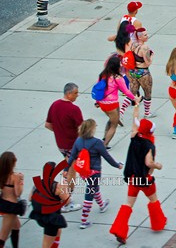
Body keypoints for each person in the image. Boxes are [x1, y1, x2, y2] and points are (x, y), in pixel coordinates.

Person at [110, 103, 167, 245]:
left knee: (128, 203)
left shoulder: (134, 137)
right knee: (153, 200)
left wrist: (136, 105)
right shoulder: (149, 145)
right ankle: (158, 223)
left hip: (132, 178)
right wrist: (157, 166)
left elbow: (135, 122)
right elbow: (148, 163)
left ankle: (119, 229)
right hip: (145, 179)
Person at [68, 120, 122, 229]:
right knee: (90, 193)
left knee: (93, 188)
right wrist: (117, 165)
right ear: (92, 129)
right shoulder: (97, 143)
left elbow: (72, 156)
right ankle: (84, 220)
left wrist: (65, 169)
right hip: (95, 172)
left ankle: (102, 206)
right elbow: (107, 157)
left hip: (84, 172)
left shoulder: (78, 141)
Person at [45, 82, 83, 213]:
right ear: (69, 93)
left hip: (61, 145)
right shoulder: (74, 109)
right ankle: (66, 200)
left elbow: (48, 124)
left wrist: (60, 132)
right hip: (73, 146)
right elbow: (81, 130)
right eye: (76, 93)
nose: (77, 95)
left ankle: (65, 198)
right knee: (70, 172)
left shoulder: (54, 105)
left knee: (69, 169)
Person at [98, 56, 141, 148]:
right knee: (114, 124)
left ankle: (104, 139)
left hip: (102, 103)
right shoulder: (117, 77)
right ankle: (104, 145)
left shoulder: (102, 75)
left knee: (111, 119)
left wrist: (97, 101)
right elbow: (126, 91)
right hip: (112, 104)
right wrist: (135, 98)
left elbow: (98, 88)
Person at [29, 161, 71, 248]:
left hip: (39, 215)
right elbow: (67, 201)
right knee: (46, 244)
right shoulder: (57, 186)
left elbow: (30, 198)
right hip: (51, 219)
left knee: (58, 231)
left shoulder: (38, 183)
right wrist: (65, 186)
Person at [128, 27, 155, 118]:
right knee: (147, 92)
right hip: (143, 72)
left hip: (132, 71)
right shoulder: (145, 47)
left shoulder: (132, 45)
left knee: (131, 92)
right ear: (140, 37)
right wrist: (152, 56)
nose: (147, 36)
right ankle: (147, 113)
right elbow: (148, 63)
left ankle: (122, 110)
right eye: (145, 35)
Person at [0, 152, 23, 248]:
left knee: (16, 226)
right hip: (11, 207)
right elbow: (18, 193)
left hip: (3, 202)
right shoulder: (15, 177)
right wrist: (21, 181)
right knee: (3, 236)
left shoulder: (1, 174)